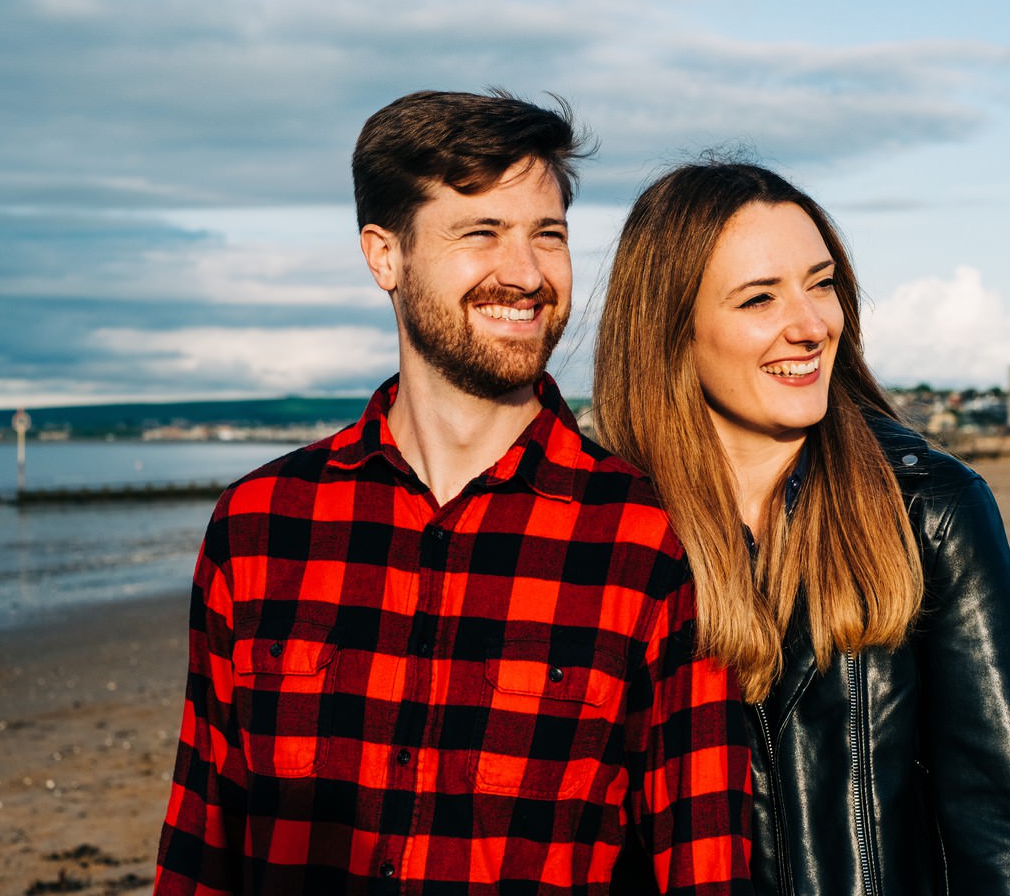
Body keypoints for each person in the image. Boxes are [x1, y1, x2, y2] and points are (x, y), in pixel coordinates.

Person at [154, 92, 754, 895]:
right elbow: (202, 846)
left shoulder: (649, 539)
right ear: (384, 256)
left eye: (548, 235)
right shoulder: (260, 527)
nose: (527, 273)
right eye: (482, 233)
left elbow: (705, 867)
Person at [592, 160, 1010, 895]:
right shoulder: (608, 534)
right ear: (670, 330)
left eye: (821, 284)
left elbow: (1006, 837)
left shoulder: (930, 510)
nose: (812, 325)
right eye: (760, 298)